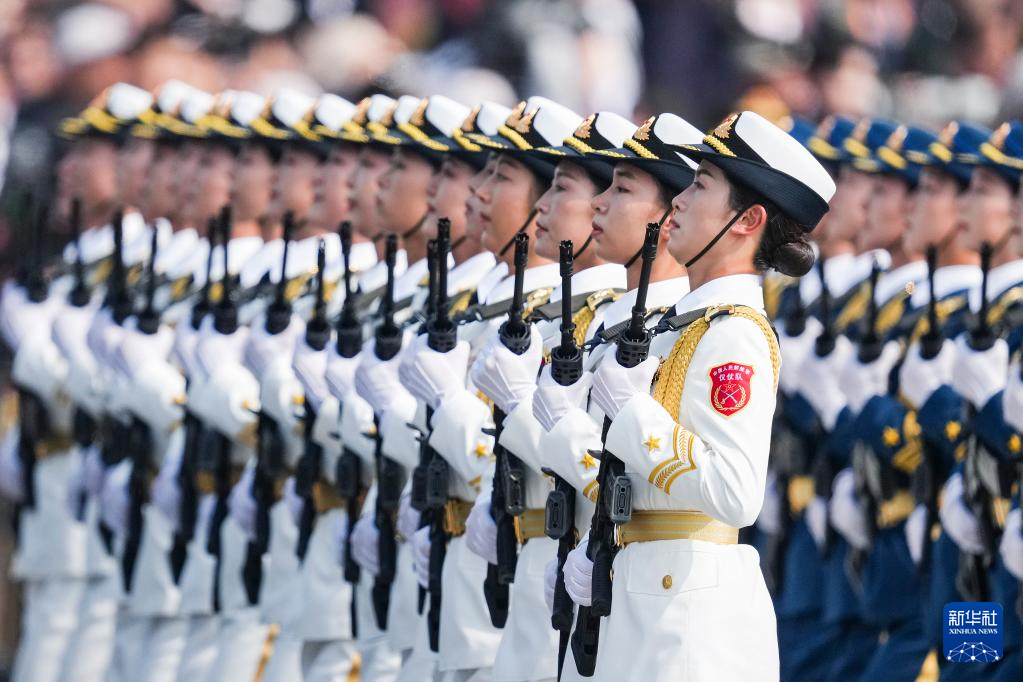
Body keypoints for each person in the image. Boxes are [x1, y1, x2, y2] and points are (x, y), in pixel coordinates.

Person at [560, 110, 835, 681]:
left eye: (701, 185)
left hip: (688, 622)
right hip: (645, 597)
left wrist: (633, 415)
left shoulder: (734, 334)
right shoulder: (685, 325)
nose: (679, 201)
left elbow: (735, 493)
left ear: (748, 220)